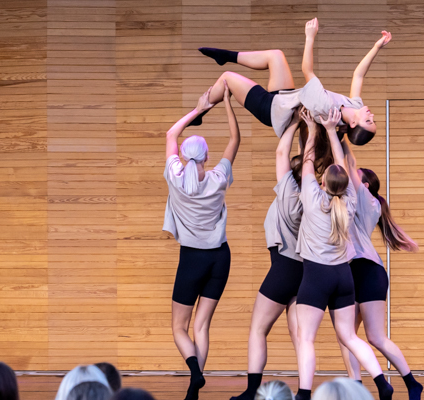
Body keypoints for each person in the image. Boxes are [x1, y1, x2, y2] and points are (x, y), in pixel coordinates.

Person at [294, 108, 393, 400]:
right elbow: (340, 164)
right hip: (343, 276)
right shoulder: (349, 199)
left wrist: (313, 129)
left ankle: (302, 393)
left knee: (306, 338)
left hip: (316, 275)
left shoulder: (312, 197)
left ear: (322, 182)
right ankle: (382, 382)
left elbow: (308, 162)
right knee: (349, 336)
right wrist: (332, 132)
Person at [196, 18, 390, 147]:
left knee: (227, 78)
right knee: (276, 56)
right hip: (285, 97)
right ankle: (227, 56)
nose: (371, 115)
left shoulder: (326, 109)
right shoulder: (354, 105)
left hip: (271, 109)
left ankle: (197, 113)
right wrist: (376, 47)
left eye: (368, 120)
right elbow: (358, 75)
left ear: (354, 122)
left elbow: (307, 70)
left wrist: (310, 37)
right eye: (373, 119)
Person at [164, 82, 241, 400]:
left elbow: (171, 135)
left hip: (192, 259)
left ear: (182, 156)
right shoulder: (219, 179)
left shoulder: (175, 177)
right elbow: (235, 139)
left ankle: (195, 374)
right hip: (220, 257)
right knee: (202, 326)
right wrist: (225, 102)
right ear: (208, 157)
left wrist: (199, 109)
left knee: (179, 328)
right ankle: (194, 390)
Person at [336, 138, 422, 400]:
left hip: (367, 272)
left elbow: (349, 164)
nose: (351, 179)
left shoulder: (366, 198)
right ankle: (355, 387)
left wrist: (342, 138)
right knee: (346, 335)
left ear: (364, 185)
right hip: (353, 270)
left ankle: (411, 382)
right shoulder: (359, 200)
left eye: (356, 177)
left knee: (375, 337)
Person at [230, 110, 304, 400]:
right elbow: (301, 159)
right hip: (303, 270)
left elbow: (282, 153)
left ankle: (250, 392)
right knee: (300, 337)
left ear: (291, 175)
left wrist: (296, 122)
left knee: (258, 329)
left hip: (285, 266)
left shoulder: (288, 195)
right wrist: (307, 130)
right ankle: (303, 392)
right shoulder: (309, 195)